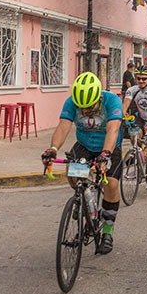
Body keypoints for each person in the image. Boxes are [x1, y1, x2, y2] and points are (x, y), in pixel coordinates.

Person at [42, 72, 123, 254]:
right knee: (73, 174)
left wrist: (106, 154)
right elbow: (63, 126)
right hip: (85, 145)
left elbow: (113, 129)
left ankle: (108, 232)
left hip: (108, 145)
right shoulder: (71, 102)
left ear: (99, 97)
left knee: (111, 184)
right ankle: (85, 202)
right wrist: (52, 149)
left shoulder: (112, 101)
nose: (84, 111)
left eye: (89, 107)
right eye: (81, 108)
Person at [121, 67, 147, 192]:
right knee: (134, 137)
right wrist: (120, 117)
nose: (141, 81)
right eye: (138, 78)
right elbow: (125, 104)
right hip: (140, 118)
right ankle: (142, 149)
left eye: (144, 78)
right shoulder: (131, 90)